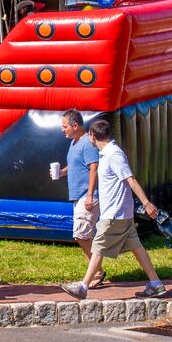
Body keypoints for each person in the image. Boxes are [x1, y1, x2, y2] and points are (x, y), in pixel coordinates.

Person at [60, 119, 165, 300]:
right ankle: (156, 283)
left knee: (98, 247)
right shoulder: (105, 153)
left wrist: (146, 204)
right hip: (120, 213)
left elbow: (130, 179)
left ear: (93, 136)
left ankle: (83, 287)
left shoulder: (114, 155)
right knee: (137, 248)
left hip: (114, 214)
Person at [52, 109, 104, 286]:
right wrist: (61, 173)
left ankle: (98, 271)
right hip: (77, 197)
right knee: (83, 236)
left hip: (86, 196)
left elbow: (94, 168)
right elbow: (75, 166)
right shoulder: (74, 142)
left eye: (64, 126)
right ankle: (96, 270)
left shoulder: (87, 144)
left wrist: (90, 195)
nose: (62, 129)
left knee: (81, 236)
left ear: (75, 126)